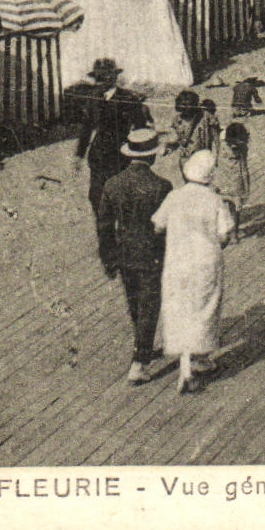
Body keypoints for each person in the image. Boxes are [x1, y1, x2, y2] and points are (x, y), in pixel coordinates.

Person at [151, 150, 236, 394]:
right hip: (205, 262)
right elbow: (224, 234)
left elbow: (158, 225)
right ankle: (201, 358)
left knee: (181, 308)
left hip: (178, 260)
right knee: (204, 309)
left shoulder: (174, 196)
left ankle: (186, 366)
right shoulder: (214, 200)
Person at [96, 128, 173, 385]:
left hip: (124, 252)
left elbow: (104, 226)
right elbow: (167, 226)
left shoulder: (112, 184)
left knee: (135, 303)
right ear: (152, 157)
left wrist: (108, 258)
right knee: (150, 304)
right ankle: (139, 363)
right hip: (152, 254)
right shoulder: (162, 186)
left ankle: (144, 345)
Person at [70, 58, 154, 216]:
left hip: (121, 153)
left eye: (105, 77)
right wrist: (79, 155)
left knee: (122, 197)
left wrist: (142, 154)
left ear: (114, 77)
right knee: (96, 197)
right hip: (98, 154)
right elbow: (87, 127)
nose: (101, 81)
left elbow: (141, 128)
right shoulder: (93, 98)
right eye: (98, 78)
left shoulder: (128, 98)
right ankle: (104, 231)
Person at [215, 122, 252, 243]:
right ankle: (226, 232)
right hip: (222, 179)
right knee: (222, 208)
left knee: (234, 209)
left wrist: (245, 188)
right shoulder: (222, 143)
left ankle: (233, 233)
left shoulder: (241, 148)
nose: (234, 147)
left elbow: (244, 168)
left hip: (235, 181)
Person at [168, 90, 221, 164]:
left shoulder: (206, 117)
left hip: (203, 158)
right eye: (183, 106)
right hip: (186, 159)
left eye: (189, 105)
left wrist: (217, 158)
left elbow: (216, 140)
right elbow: (178, 140)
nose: (186, 109)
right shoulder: (177, 120)